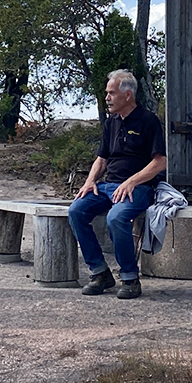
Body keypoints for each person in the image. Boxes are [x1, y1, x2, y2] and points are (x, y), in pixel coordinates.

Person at [68, 69, 166, 299]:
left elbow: (160, 162)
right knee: (76, 210)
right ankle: (100, 273)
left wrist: (131, 182)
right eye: (107, 93)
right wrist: (90, 181)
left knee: (116, 218)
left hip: (139, 188)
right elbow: (101, 158)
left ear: (128, 95)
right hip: (107, 186)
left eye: (111, 93)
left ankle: (130, 278)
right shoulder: (111, 122)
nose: (107, 98)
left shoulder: (148, 121)